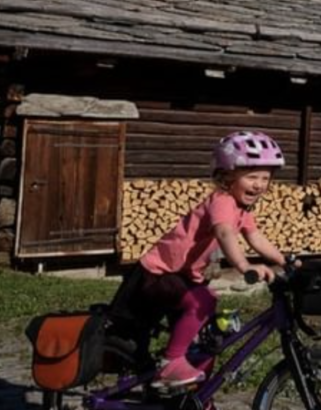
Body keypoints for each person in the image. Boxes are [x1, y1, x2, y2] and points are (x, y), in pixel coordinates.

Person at [120, 131, 288, 387]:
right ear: (227, 176)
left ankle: (191, 394)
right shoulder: (222, 201)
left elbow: (255, 237)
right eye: (252, 176)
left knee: (203, 342)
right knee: (204, 300)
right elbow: (224, 232)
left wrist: (287, 261)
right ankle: (170, 363)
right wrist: (243, 265)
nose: (259, 184)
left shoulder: (240, 207)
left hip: (182, 275)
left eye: (265, 178)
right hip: (158, 273)